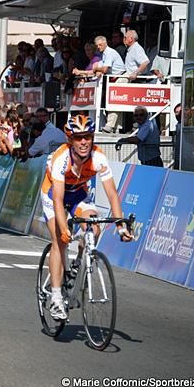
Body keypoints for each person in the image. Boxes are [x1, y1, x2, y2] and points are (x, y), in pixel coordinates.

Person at [41, 115, 133, 320]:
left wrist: (120, 226)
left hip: (78, 194)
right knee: (59, 240)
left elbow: (112, 194)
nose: (84, 142)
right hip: (53, 193)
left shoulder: (98, 157)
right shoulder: (61, 158)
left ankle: (78, 263)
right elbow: (57, 198)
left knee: (93, 226)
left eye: (88, 137)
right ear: (70, 140)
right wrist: (64, 228)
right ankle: (56, 298)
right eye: (79, 137)